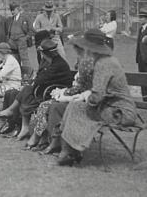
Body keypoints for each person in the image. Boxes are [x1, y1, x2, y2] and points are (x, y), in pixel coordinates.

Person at [55, 29, 137, 166]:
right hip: (112, 106)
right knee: (75, 106)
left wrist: (84, 98)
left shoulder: (103, 64)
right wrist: (83, 97)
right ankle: (68, 150)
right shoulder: (105, 61)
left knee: (77, 108)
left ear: (91, 48)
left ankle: (69, 150)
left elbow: (97, 97)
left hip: (121, 112)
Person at [0, 39, 73, 140]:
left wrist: (33, 82)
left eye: (41, 52)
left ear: (45, 53)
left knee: (26, 90)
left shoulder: (58, 64)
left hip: (54, 92)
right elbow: (41, 78)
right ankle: (18, 125)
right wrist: (34, 81)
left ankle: (16, 118)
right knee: (15, 92)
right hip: (46, 89)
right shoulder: (50, 61)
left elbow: (42, 79)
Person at [25, 41, 94, 152]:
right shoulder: (83, 64)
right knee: (45, 105)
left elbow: (80, 89)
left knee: (48, 105)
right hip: (73, 94)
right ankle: (42, 138)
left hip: (81, 99)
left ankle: (45, 139)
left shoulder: (86, 66)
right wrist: (62, 92)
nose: (77, 57)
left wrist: (61, 93)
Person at [7, 2, 34, 76]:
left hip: (21, 42)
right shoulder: (11, 19)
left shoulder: (25, 18)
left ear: (18, 9)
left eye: (14, 10)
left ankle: (28, 75)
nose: (12, 12)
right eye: (11, 10)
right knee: (15, 60)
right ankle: (17, 75)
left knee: (24, 59)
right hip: (12, 43)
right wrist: (9, 40)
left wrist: (25, 38)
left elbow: (31, 30)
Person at [136, 8, 147, 102]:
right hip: (141, 59)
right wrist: (137, 57)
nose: (139, 19)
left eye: (141, 18)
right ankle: (144, 99)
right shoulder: (140, 29)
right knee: (141, 79)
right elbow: (138, 44)